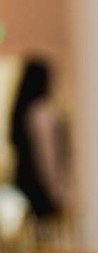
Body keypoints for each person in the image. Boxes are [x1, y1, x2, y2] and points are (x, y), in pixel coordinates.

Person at [10, 59, 68, 218]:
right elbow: (47, 155)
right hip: (43, 186)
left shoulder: (24, 111)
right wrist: (57, 189)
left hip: (28, 183)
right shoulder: (43, 111)